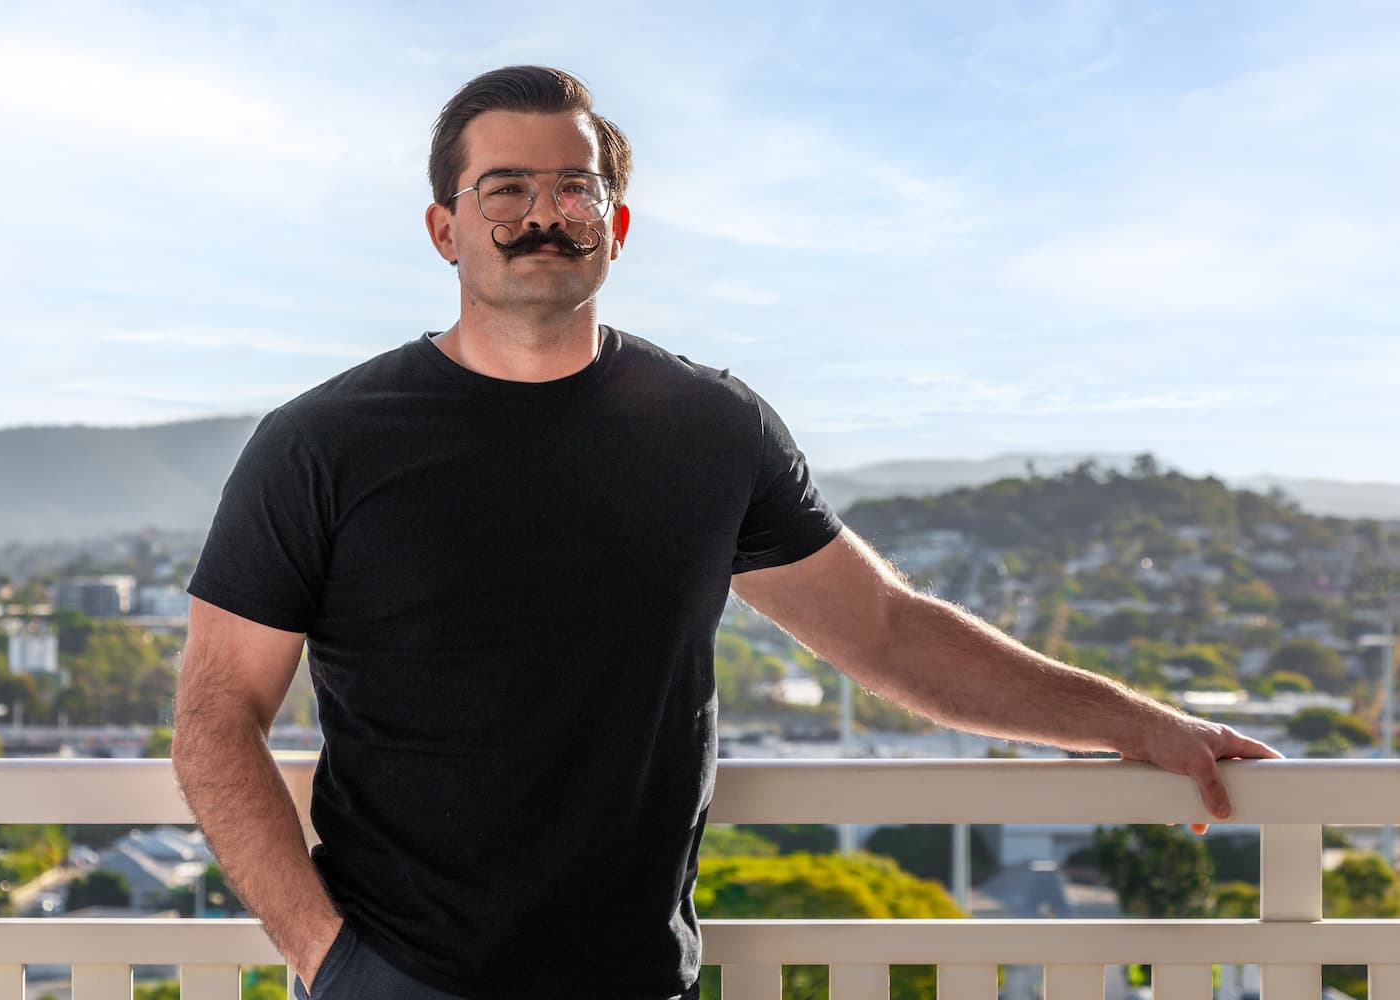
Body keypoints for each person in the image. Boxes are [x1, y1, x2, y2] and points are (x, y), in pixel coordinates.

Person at [171, 65, 1280, 1000]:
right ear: (443, 227)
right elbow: (217, 717)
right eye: (503, 187)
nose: (542, 214)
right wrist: (328, 961)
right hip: (400, 976)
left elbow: (889, 635)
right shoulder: (323, 444)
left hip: (639, 978)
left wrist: (1135, 722)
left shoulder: (709, 429)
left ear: (617, 225)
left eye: (574, 186)